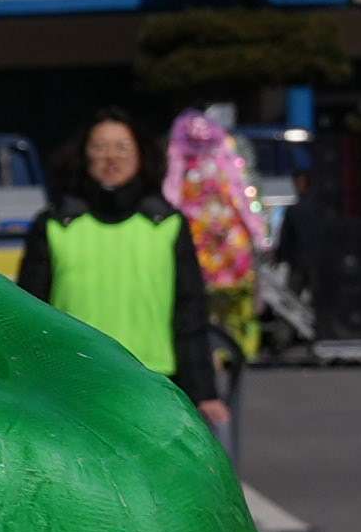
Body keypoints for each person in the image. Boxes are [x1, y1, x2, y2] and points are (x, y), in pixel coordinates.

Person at [16, 114, 221, 413]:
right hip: (71, 386)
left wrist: (204, 392)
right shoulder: (54, 225)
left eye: (122, 147)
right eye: (100, 147)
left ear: (141, 155)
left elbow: (189, 314)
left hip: (153, 384)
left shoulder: (167, 225)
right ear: (83, 156)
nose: (111, 158)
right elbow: (28, 315)